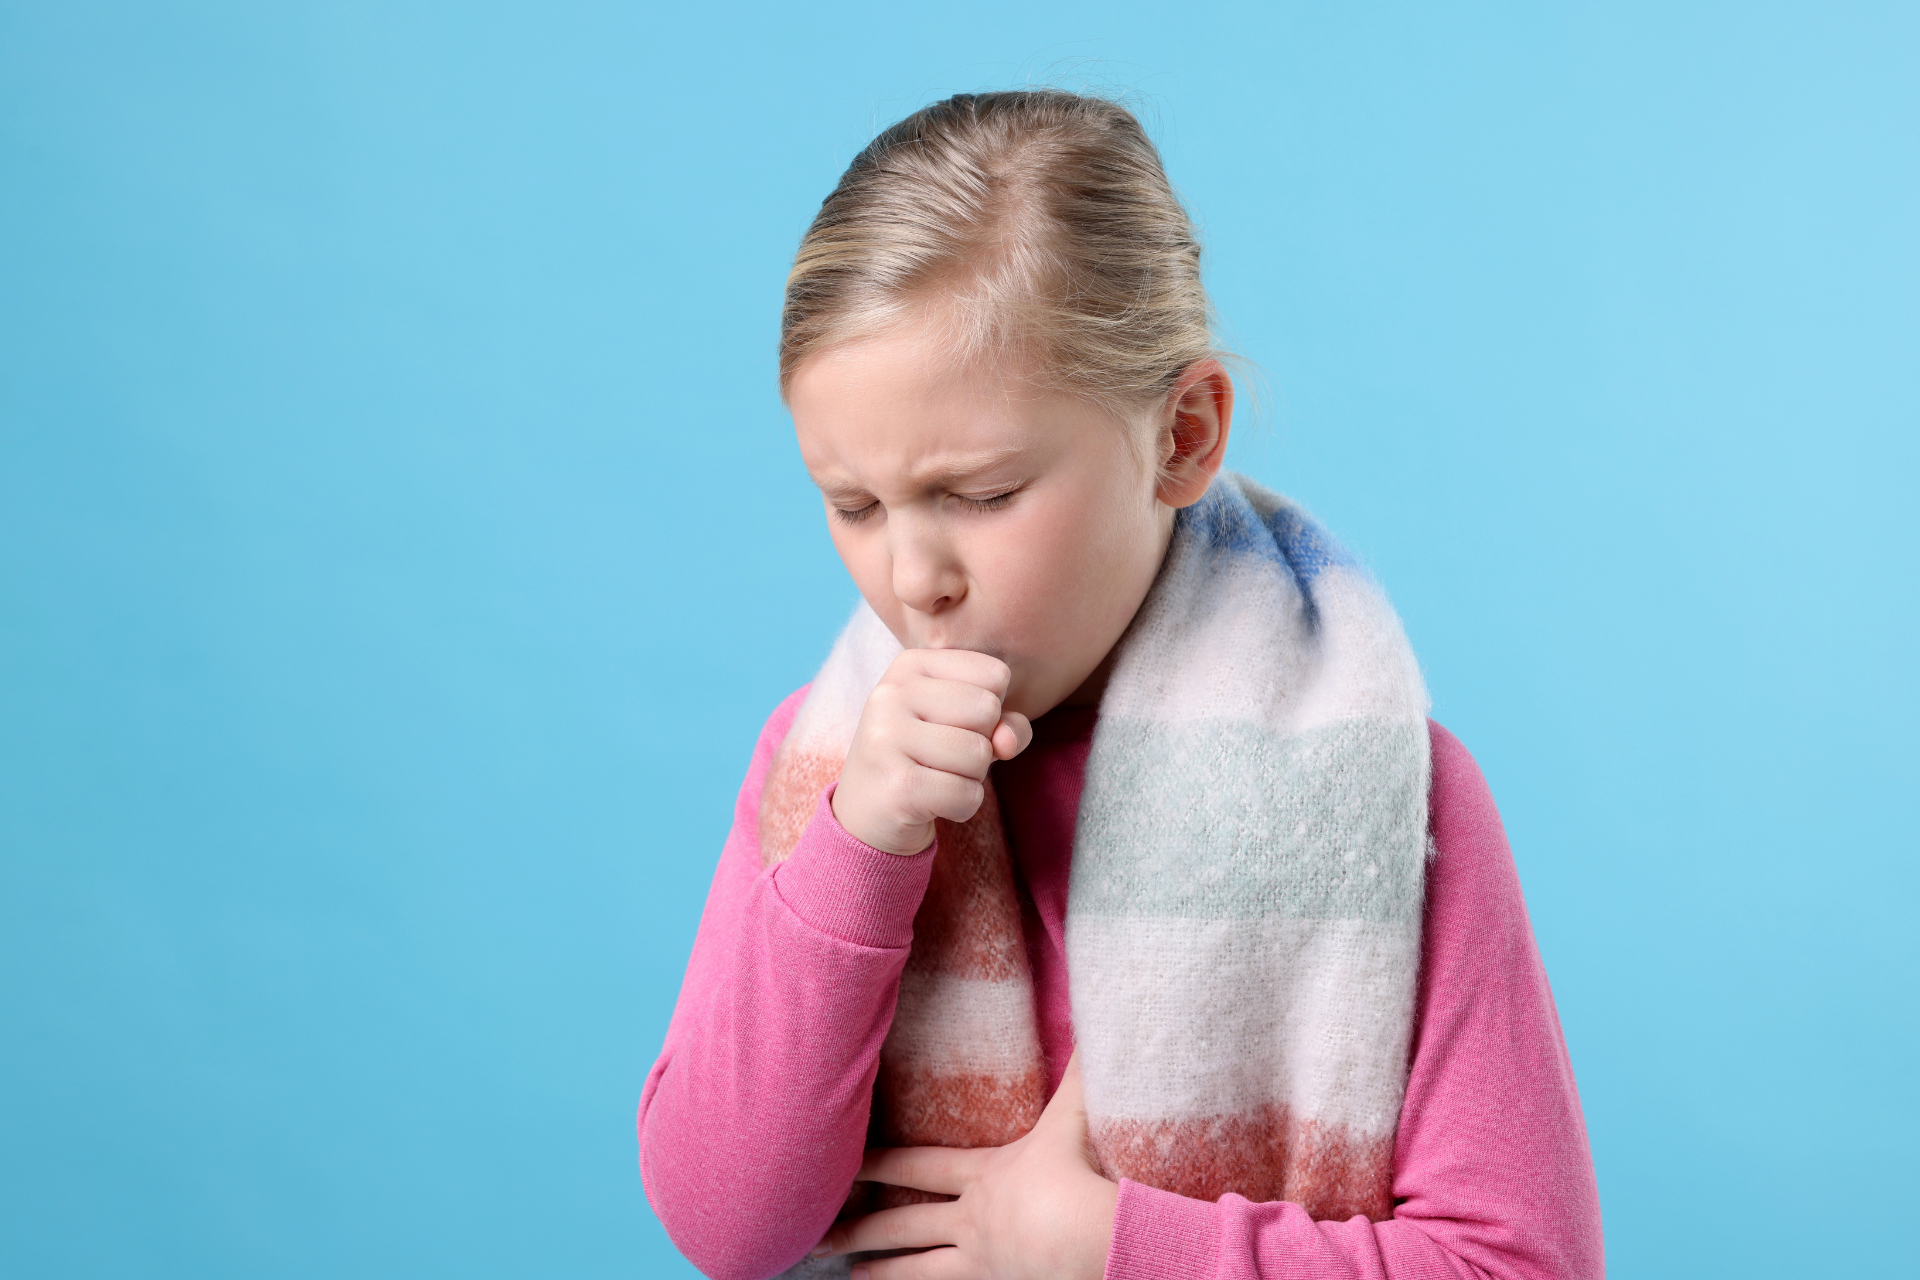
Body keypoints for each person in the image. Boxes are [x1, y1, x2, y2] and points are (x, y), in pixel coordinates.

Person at [638, 90, 1603, 1280]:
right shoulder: (829, 773)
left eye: (982, 493)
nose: (913, 575)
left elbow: (1524, 1263)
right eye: (855, 505)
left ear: (1185, 435)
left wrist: (1107, 1248)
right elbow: (724, 1228)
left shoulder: (1389, 795)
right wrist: (859, 850)